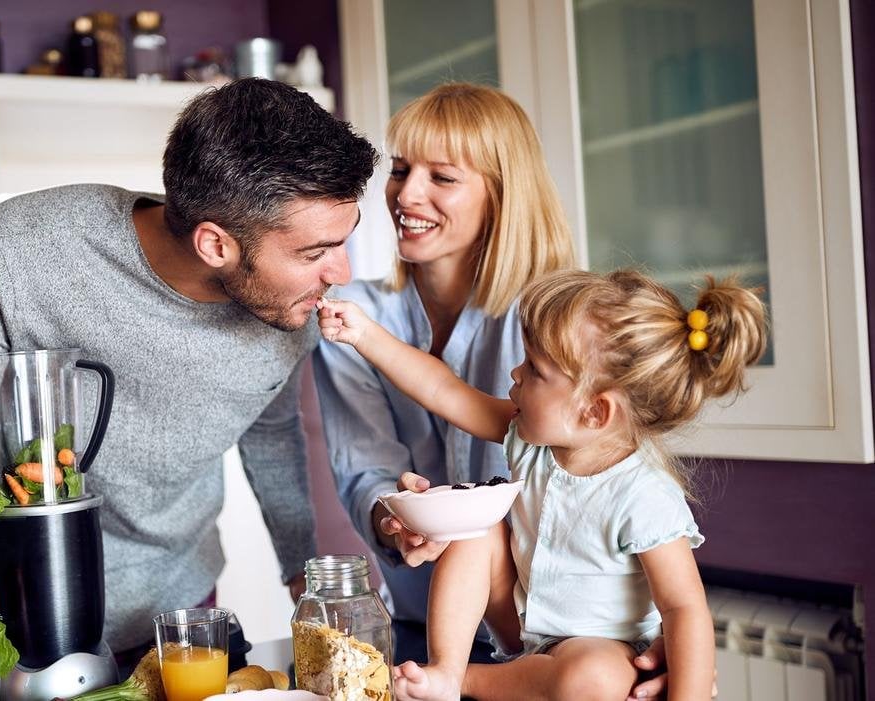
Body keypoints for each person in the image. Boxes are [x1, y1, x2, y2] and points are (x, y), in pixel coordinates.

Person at [0, 78, 378, 687]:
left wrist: (301, 567)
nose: (342, 273)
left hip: (179, 617)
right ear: (215, 244)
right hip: (12, 623)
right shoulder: (23, 252)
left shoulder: (292, 306)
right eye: (315, 252)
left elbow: (270, 428)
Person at [317, 268, 767, 701]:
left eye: (534, 369)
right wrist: (365, 336)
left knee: (595, 678)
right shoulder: (530, 440)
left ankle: (467, 682)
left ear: (594, 413)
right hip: (524, 628)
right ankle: (446, 670)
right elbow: (445, 391)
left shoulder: (644, 495)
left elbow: (684, 610)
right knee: (479, 522)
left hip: (603, 651)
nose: (515, 374)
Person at [310, 82, 575, 665]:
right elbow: (366, 471)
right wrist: (395, 520)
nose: (408, 194)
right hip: (421, 632)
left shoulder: (554, 323)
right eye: (401, 170)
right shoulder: (352, 318)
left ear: (502, 196)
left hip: (549, 639)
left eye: (443, 177)